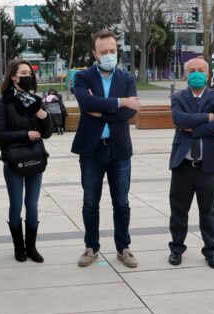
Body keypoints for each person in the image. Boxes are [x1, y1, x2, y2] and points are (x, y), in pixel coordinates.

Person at [72, 30, 141, 268]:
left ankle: (124, 248)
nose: (109, 55)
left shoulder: (127, 79)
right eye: (104, 52)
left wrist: (101, 111)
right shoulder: (82, 77)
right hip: (91, 150)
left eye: (112, 51)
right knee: (90, 202)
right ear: (95, 53)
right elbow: (86, 103)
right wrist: (120, 102)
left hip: (119, 150)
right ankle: (91, 247)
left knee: (121, 202)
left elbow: (132, 112)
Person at [168, 58, 214, 269]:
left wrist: (193, 129)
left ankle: (211, 251)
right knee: (178, 210)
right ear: (185, 75)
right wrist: (207, 117)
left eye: (200, 70)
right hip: (183, 165)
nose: (196, 74)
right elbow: (179, 120)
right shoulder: (178, 97)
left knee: (208, 211)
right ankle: (176, 248)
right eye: (192, 71)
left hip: (209, 166)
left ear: (208, 74)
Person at [0, 59, 53, 263]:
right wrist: (25, 135)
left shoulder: (35, 101)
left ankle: (32, 247)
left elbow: (47, 133)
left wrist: (42, 114)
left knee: (32, 204)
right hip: (14, 161)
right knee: (16, 203)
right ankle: (19, 248)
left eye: (30, 73)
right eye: (23, 73)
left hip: (35, 159)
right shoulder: (2, 103)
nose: (28, 77)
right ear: (13, 77)